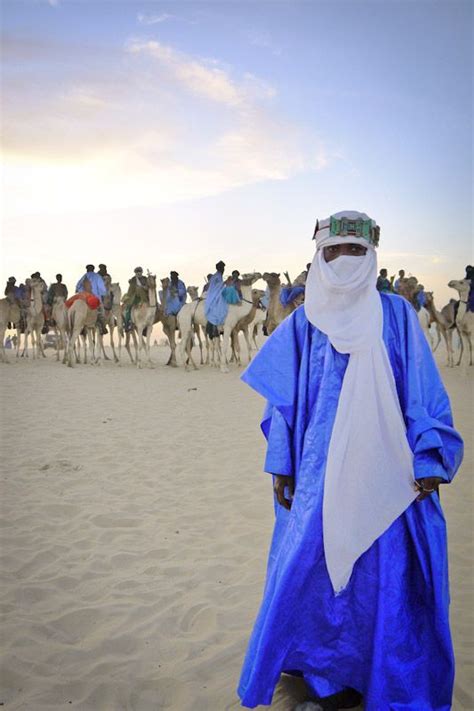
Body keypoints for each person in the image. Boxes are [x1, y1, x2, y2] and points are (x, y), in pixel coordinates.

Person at [237, 210, 463, 711]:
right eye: (332, 251)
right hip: (316, 477)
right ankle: (322, 684)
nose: (343, 261)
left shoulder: (398, 314)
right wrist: (281, 461)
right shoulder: (302, 322)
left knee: (384, 579)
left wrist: (429, 455)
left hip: (389, 474)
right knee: (312, 573)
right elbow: (282, 403)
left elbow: (424, 393)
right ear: (318, 255)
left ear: (372, 256)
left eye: (354, 251)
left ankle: (381, 683)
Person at [75, 265, 107, 334]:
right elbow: (102, 289)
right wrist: (103, 293)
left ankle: (81, 327)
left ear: (87, 270)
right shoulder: (97, 276)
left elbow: (78, 286)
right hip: (95, 298)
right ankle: (102, 327)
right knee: (101, 312)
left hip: (85, 298)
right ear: (93, 269)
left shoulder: (84, 276)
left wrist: (80, 291)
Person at [204, 261, 228, 338]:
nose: (223, 269)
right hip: (214, 295)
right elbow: (217, 287)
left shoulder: (218, 276)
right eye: (222, 268)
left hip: (215, 294)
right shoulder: (217, 276)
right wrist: (226, 282)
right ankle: (217, 327)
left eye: (223, 268)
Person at [123, 267, 149, 331]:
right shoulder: (133, 280)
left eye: (139, 271)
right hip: (135, 297)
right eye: (137, 272)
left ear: (142, 272)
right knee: (128, 308)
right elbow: (130, 290)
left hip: (145, 297)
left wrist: (143, 287)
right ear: (135, 273)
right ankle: (127, 324)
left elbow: (148, 288)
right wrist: (127, 297)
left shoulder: (145, 279)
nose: (138, 273)